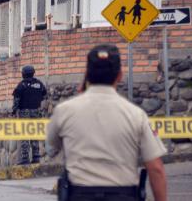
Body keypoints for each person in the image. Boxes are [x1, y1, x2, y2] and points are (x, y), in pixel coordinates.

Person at [46, 44, 167, 201]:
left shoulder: (64, 111)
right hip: (124, 195)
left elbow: (50, 149)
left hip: (80, 195)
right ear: (120, 75)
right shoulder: (136, 115)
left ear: (87, 75)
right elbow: (156, 168)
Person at [12, 65, 47, 165]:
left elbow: (16, 99)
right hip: (36, 112)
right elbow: (44, 94)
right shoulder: (39, 84)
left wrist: (14, 111)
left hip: (24, 112)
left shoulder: (22, 85)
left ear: (23, 74)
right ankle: (36, 157)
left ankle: (25, 158)